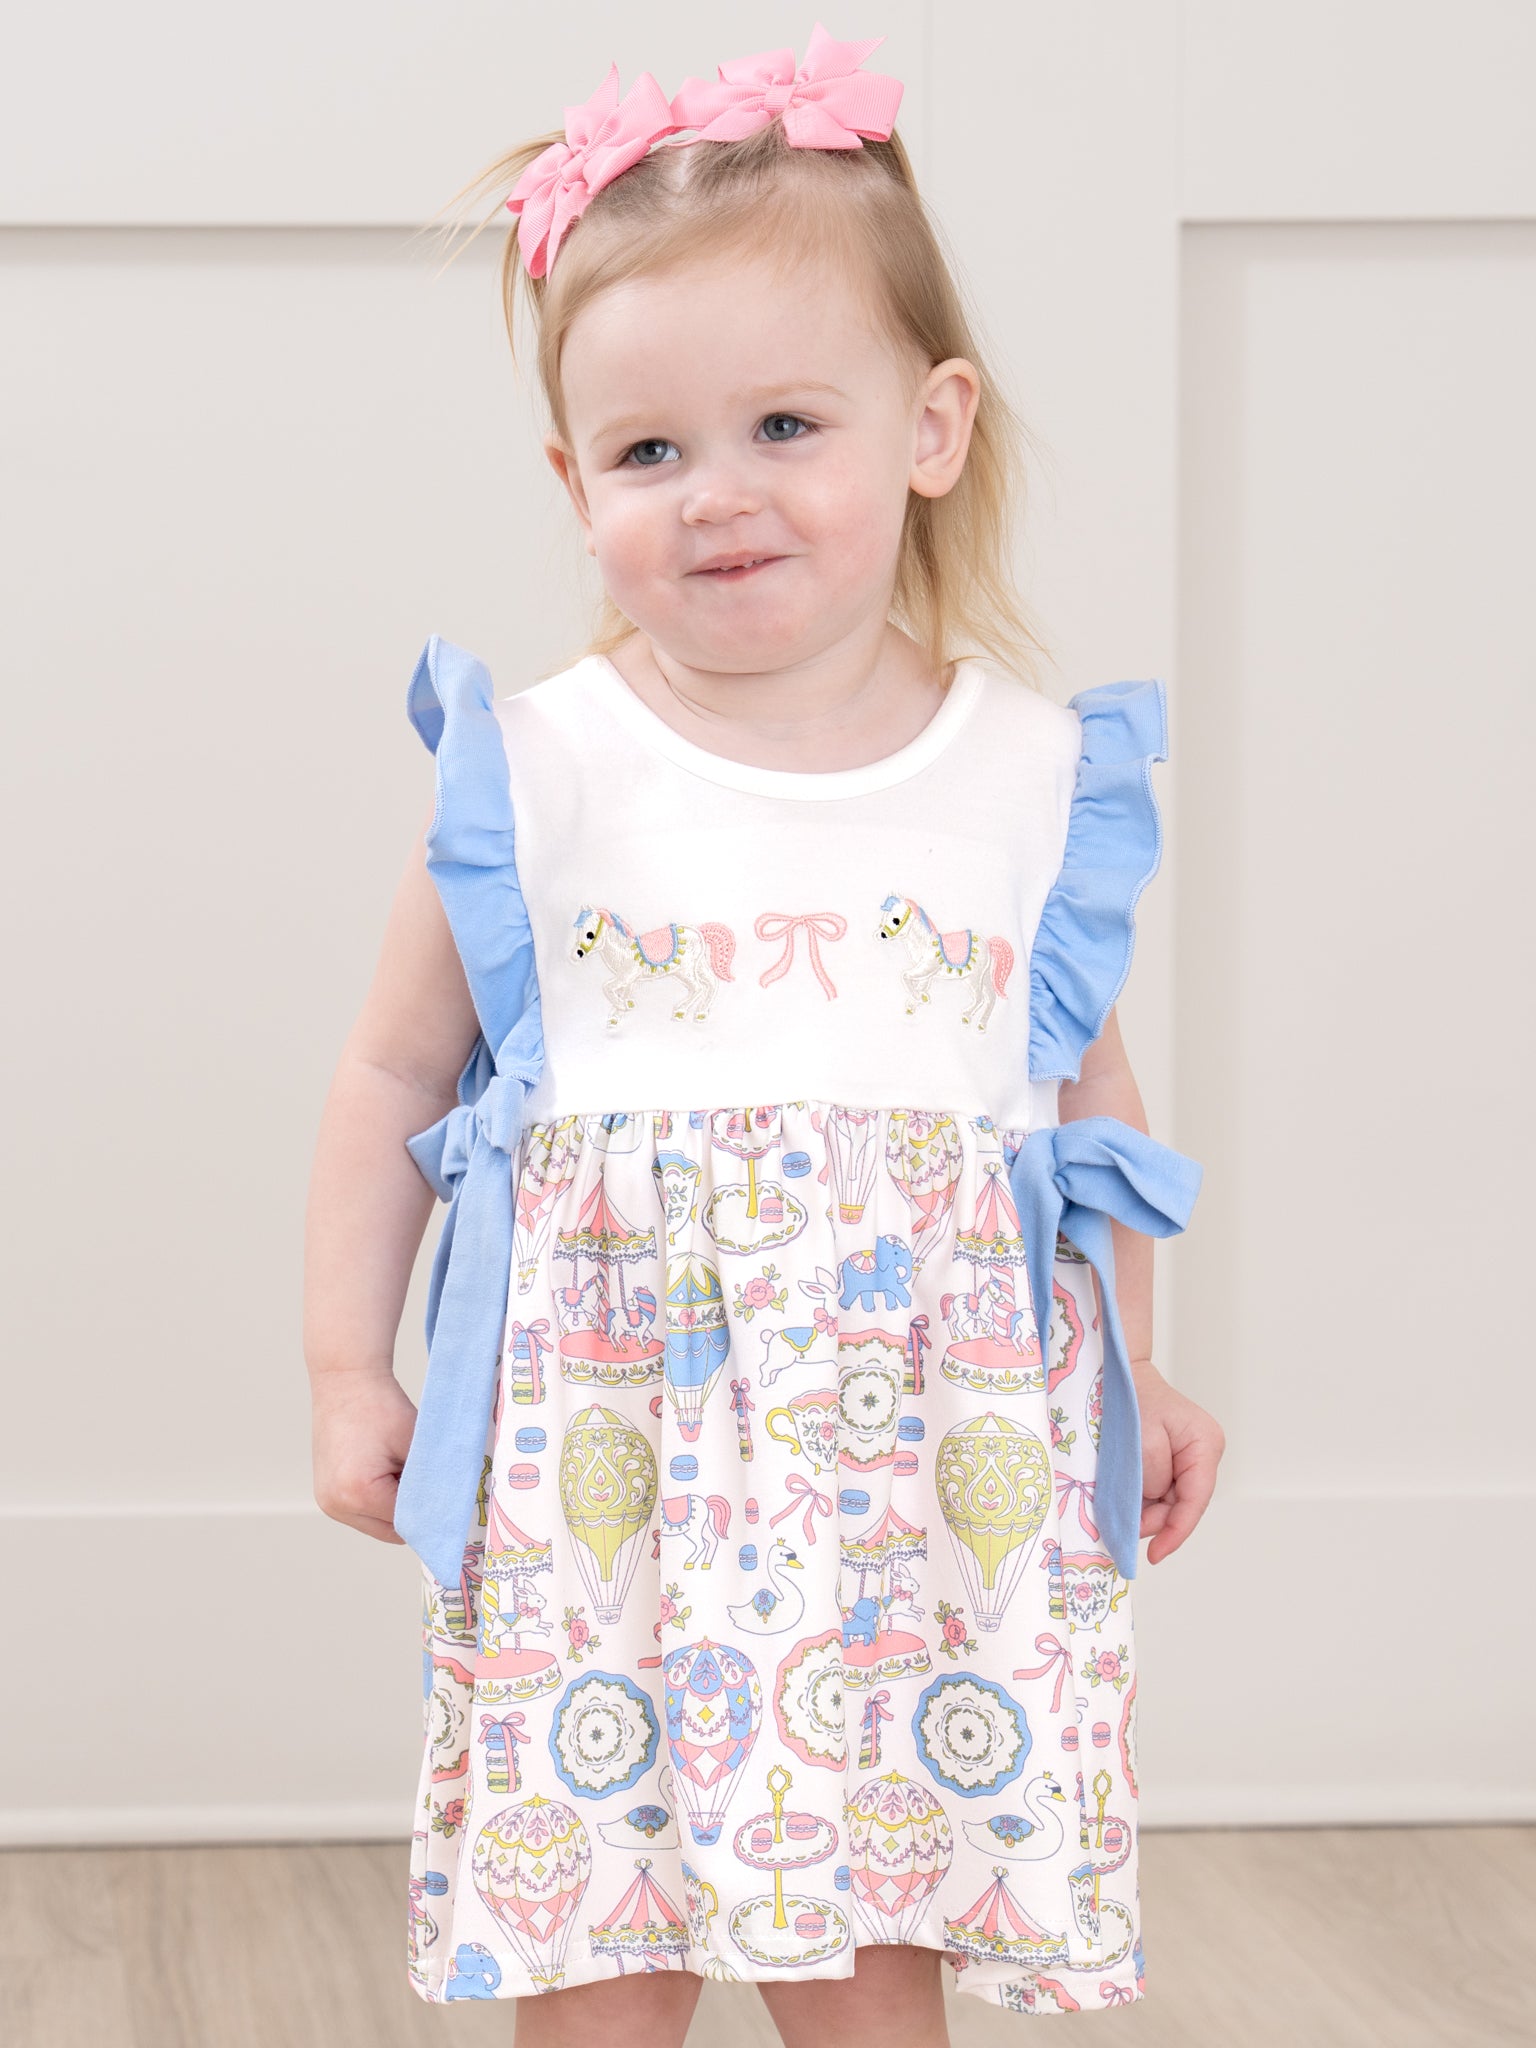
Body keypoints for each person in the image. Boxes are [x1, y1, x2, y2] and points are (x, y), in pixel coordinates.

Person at [303, 26, 1224, 2046]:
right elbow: (393, 1078)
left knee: (874, 1945)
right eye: (648, 453)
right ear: (576, 486)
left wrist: (1136, 1367)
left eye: (785, 425)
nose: (716, 495)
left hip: (911, 1479)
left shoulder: (1027, 777)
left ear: (930, 426)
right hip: (609, 1467)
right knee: (601, 1941)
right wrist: (346, 1363)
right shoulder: (539, 768)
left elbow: (1076, 1105)